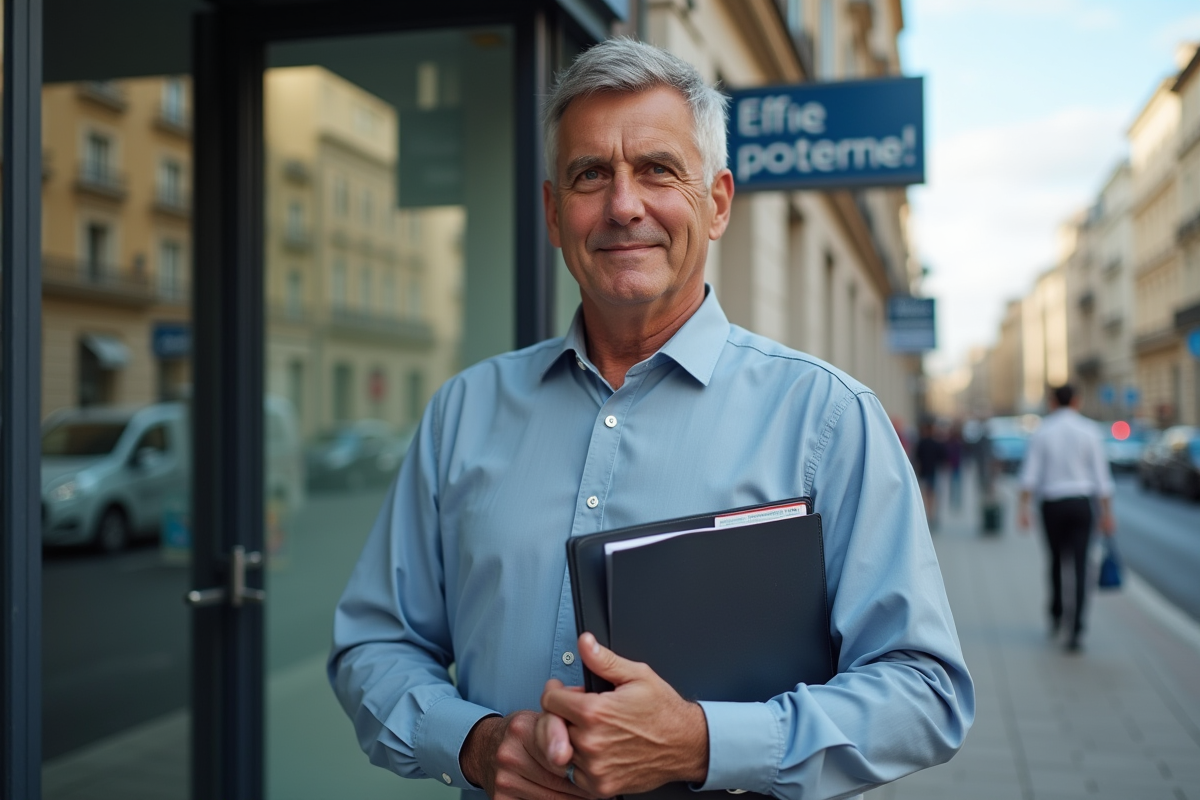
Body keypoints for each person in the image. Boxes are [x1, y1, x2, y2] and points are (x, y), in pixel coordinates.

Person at [328, 37, 973, 800]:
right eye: (590, 174)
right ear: (553, 213)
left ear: (719, 201)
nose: (623, 205)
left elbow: (925, 690)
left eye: (658, 170)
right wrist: (474, 742)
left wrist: (705, 743)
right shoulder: (463, 413)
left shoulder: (826, 420)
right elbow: (374, 643)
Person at [1017, 384, 1115, 652]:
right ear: (1076, 401)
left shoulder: (1043, 431)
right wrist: (1107, 514)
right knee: (1081, 565)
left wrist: (1022, 510)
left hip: (1052, 504)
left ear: (1052, 402)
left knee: (1056, 561)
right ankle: (1077, 628)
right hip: (1081, 503)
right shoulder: (1090, 430)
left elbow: (1029, 476)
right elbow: (1102, 479)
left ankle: (1057, 613)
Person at [913, 417, 946, 529]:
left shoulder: (921, 442)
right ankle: (931, 515)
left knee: (925, 494)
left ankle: (927, 514)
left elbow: (916, 458)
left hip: (924, 471)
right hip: (931, 471)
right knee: (931, 494)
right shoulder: (935, 442)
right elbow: (942, 458)